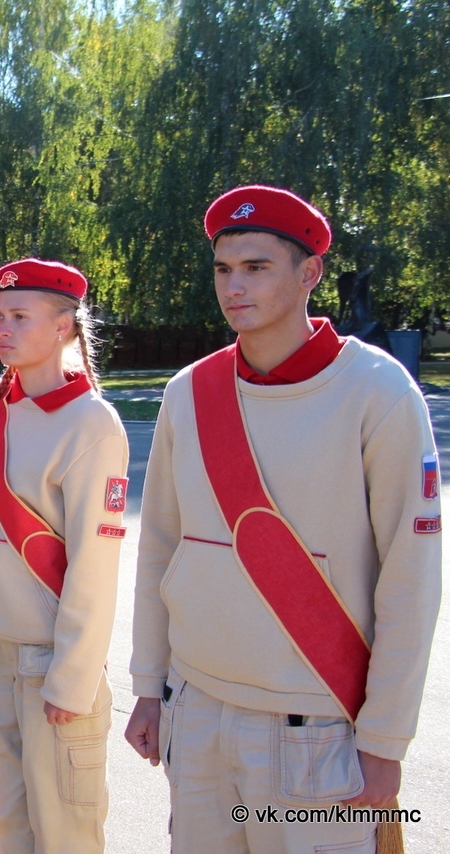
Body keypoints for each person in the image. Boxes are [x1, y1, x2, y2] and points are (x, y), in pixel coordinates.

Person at [124, 185, 442, 853]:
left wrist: (384, 740)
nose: (233, 287)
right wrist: (149, 686)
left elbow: (411, 583)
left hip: (317, 728)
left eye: (256, 268)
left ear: (310, 274)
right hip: (199, 710)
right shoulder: (190, 392)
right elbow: (158, 548)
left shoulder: (379, 394)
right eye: (222, 269)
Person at [0, 259, 128, 854]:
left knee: (65, 831)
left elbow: (96, 568)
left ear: (66, 325)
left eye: (20, 316)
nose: (2, 329)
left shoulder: (92, 424)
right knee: (0, 826)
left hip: (52, 664)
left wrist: (71, 681)